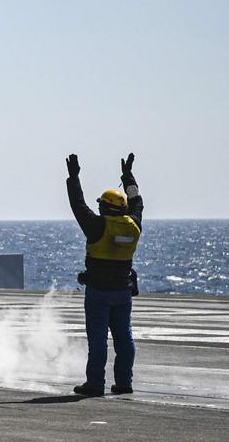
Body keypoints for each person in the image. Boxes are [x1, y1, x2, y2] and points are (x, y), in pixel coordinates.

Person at [66, 152, 144, 397]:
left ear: (104, 208)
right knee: (125, 338)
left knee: (98, 340)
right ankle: (124, 383)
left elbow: (78, 206)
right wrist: (128, 175)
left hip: (99, 292)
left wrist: (74, 178)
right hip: (123, 291)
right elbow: (137, 201)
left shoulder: (97, 226)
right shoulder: (134, 224)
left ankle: (95, 383)